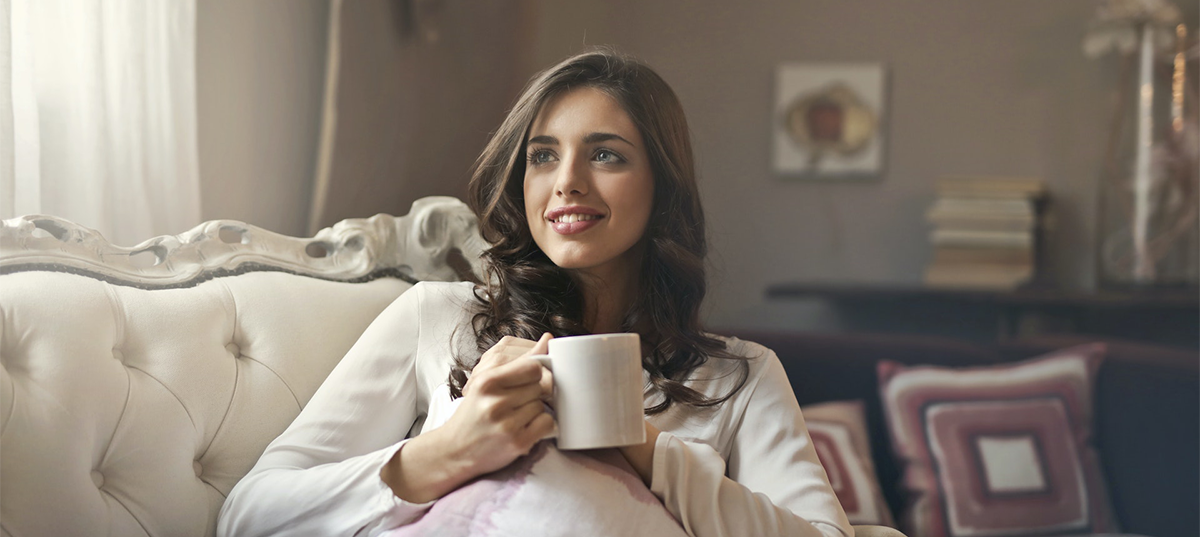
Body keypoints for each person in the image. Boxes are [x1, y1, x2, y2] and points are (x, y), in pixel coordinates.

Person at [217, 48, 851, 537]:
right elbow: (248, 513)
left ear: (663, 186)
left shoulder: (739, 377)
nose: (566, 182)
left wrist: (642, 446)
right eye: (543, 157)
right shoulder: (438, 319)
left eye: (605, 155)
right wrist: (440, 455)